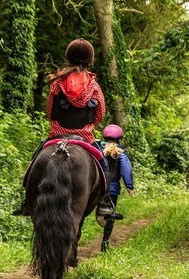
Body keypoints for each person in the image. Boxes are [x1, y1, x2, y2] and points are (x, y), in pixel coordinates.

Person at [13, 38, 114, 217]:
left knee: (35, 161)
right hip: (86, 138)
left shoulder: (57, 83)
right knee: (104, 165)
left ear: (68, 58)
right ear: (90, 60)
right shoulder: (94, 86)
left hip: (57, 135)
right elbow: (99, 115)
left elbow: (50, 112)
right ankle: (105, 203)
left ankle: (27, 202)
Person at [101, 125, 134, 220]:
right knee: (111, 214)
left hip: (98, 186)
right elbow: (126, 170)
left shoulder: (98, 151)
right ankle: (106, 234)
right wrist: (129, 186)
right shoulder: (120, 154)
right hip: (112, 188)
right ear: (119, 139)